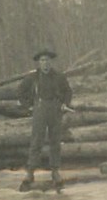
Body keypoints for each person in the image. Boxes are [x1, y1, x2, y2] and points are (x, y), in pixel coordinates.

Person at [17, 49, 74, 191]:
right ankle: (30, 172)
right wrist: (28, 106)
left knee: (55, 140)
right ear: (39, 63)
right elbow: (20, 91)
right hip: (40, 108)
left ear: (51, 62)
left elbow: (68, 91)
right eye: (42, 60)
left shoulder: (59, 76)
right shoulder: (33, 77)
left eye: (47, 60)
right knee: (36, 140)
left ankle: (55, 171)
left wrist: (64, 104)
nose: (45, 63)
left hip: (55, 109)